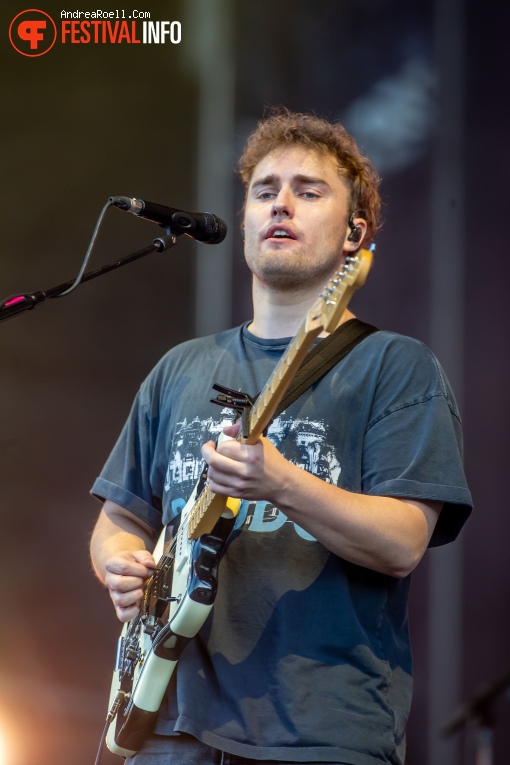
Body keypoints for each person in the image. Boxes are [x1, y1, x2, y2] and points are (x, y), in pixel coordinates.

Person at [90, 109, 472, 765]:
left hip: (318, 733)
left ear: (356, 234)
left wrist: (282, 484)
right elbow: (117, 520)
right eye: (264, 190)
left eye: (308, 189)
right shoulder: (180, 368)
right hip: (166, 728)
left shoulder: (396, 366)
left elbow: (404, 541)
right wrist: (119, 564)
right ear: (243, 220)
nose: (280, 204)